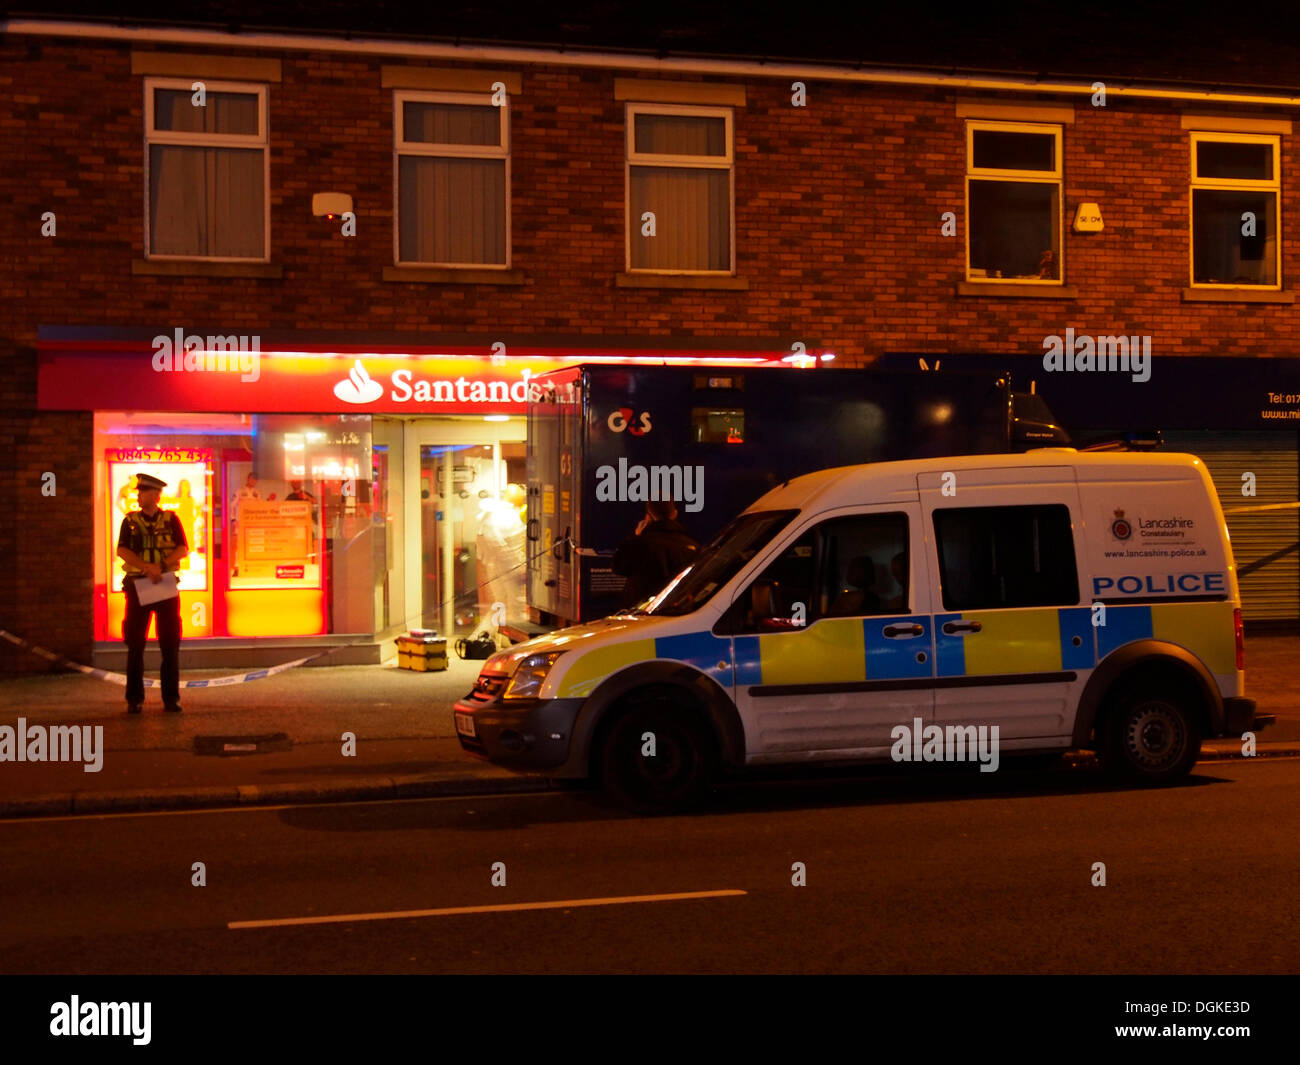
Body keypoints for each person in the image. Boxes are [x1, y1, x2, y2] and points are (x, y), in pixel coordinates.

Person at [116, 472, 189, 714]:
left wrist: (162, 566)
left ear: (155, 495)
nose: (138, 495)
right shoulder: (130, 521)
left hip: (166, 585)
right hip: (138, 586)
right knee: (135, 644)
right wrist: (146, 567)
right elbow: (122, 551)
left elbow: (182, 549)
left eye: (142, 492)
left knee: (170, 644)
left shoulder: (171, 520)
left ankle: (171, 699)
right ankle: (134, 699)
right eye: (138, 491)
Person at [611, 500, 700, 608]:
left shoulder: (638, 543)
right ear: (675, 513)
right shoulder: (691, 545)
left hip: (642, 609)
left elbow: (618, 568)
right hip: (678, 608)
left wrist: (636, 537)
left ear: (648, 516)